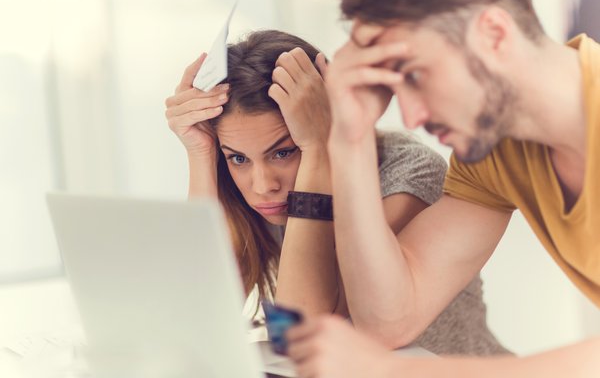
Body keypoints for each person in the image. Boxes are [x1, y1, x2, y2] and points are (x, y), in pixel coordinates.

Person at [285, 0, 600, 377]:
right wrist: (350, 139)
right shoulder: (496, 151)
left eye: (415, 76)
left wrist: (395, 372)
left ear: (494, 34)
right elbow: (389, 320)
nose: (413, 116)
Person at [164, 29, 508, 355]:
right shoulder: (263, 199)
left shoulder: (406, 173)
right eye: (238, 158)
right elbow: (200, 317)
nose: (263, 184)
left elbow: (299, 332)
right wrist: (200, 151)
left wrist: (317, 147)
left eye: (283, 152)